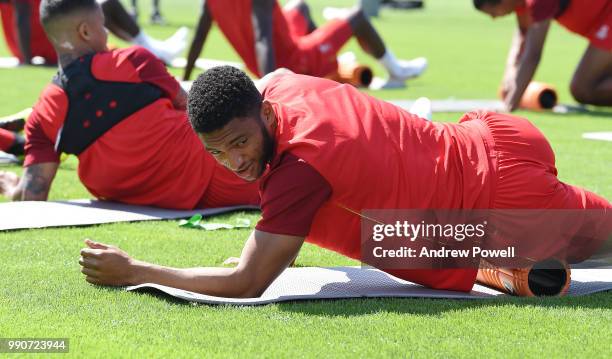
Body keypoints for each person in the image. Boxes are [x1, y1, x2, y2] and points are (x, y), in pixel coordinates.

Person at [77, 66, 611, 298]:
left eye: (239, 143)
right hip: (488, 137)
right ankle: (498, 266)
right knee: (380, 232)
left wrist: (135, 271)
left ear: (264, 114)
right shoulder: (278, 85)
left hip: (503, 202)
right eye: (215, 153)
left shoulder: (299, 170)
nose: (233, 162)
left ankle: (496, 263)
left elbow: (247, 283)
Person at [0, 0, 259, 210]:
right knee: (276, 85)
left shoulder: (42, 115)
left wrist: (12, 188)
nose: (107, 32)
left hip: (185, 197)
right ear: (86, 32)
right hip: (223, 173)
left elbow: (33, 197)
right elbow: (200, 110)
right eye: (103, 25)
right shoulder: (133, 61)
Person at [183, 0, 427, 89]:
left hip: (265, 63)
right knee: (357, 17)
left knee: (299, 7)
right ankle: (396, 71)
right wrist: (274, 87)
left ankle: (330, 62)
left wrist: (185, 76)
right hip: (292, 64)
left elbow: (198, 39)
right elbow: (263, 39)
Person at [473, 0, 612, 110]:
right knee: (584, 88)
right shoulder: (519, 3)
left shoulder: (537, 2)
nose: (494, 18)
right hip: (605, 19)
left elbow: (533, 54)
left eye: (492, 13)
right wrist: (510, 74)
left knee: (583, 88)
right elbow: (523, 35)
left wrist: (510, 105)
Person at [0, 0, 186, 65]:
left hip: (45, 37)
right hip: (42, 41)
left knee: (101, 7)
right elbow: (21, 16)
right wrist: (27, 60)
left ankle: (153, 48)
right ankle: (153, 50)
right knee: (100, 8)